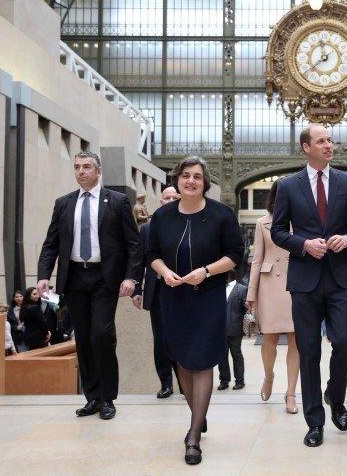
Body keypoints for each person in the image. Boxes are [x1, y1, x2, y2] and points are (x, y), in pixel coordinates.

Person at [270, 124, 347, 448]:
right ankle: (315, 422)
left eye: (330, 140)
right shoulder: (286, 186)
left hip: (341, 278)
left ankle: (335, 396)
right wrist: (303, 244)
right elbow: (278, 232)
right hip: (305, 280)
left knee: (345, 341)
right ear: (305, 147)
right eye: (321, 141)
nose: (329, 145)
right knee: (309, 351)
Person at [147, 156, 244, 465]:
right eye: (185, 175)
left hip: (207, 297)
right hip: (173, 297)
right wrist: (164, 272)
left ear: (206, 182)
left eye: (197, 177)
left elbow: (234, 256)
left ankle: (193, 435)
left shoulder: (221, 215)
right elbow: (151, 254)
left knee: (202, 362)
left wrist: (206, 271)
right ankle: (197, 414)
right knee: (182, 361)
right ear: (177, 180)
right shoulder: (162, 217)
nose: (191, 180)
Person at [37, 150, 142, 421]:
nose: (81, 171)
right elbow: (51, 244)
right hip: (74, 278)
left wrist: (131, 277)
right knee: (82, 338)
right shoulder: (63, 203)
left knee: (101, 334)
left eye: (86, 167)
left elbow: (133, 244)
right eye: (77, 167)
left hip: (104, 277)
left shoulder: (117, 201)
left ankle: (108, 398)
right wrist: (43, 275)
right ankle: (92, 397)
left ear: (98, 171)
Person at [246, 179, 300, 415]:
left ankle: (290, 393)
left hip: (297, 283)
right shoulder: (262, 223)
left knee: (296, 339)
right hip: (269, 286)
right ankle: (269, 377)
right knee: (269, 339)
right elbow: (257, 258)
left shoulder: (303, 220)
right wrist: (251, 292)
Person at [132, 185, 180, 399]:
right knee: (160, 340)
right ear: (160, 202)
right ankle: (165, 383)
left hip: (182, 290)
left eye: (173, 197)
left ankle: (184, 383)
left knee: (180, 338)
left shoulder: (187, 224)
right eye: (166, 197)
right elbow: (140, 261)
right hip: (157, 290)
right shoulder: (147, 229)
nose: (169, 200)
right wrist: (137, 289)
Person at [217, 271, 248, 391]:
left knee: (236, 354)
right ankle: (224, 381)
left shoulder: (242, 289)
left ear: (228, 275)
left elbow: (245, 309)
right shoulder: (219, 289)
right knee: (222, 356)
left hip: (235, 328)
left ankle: (240, 381)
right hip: (220, 329)